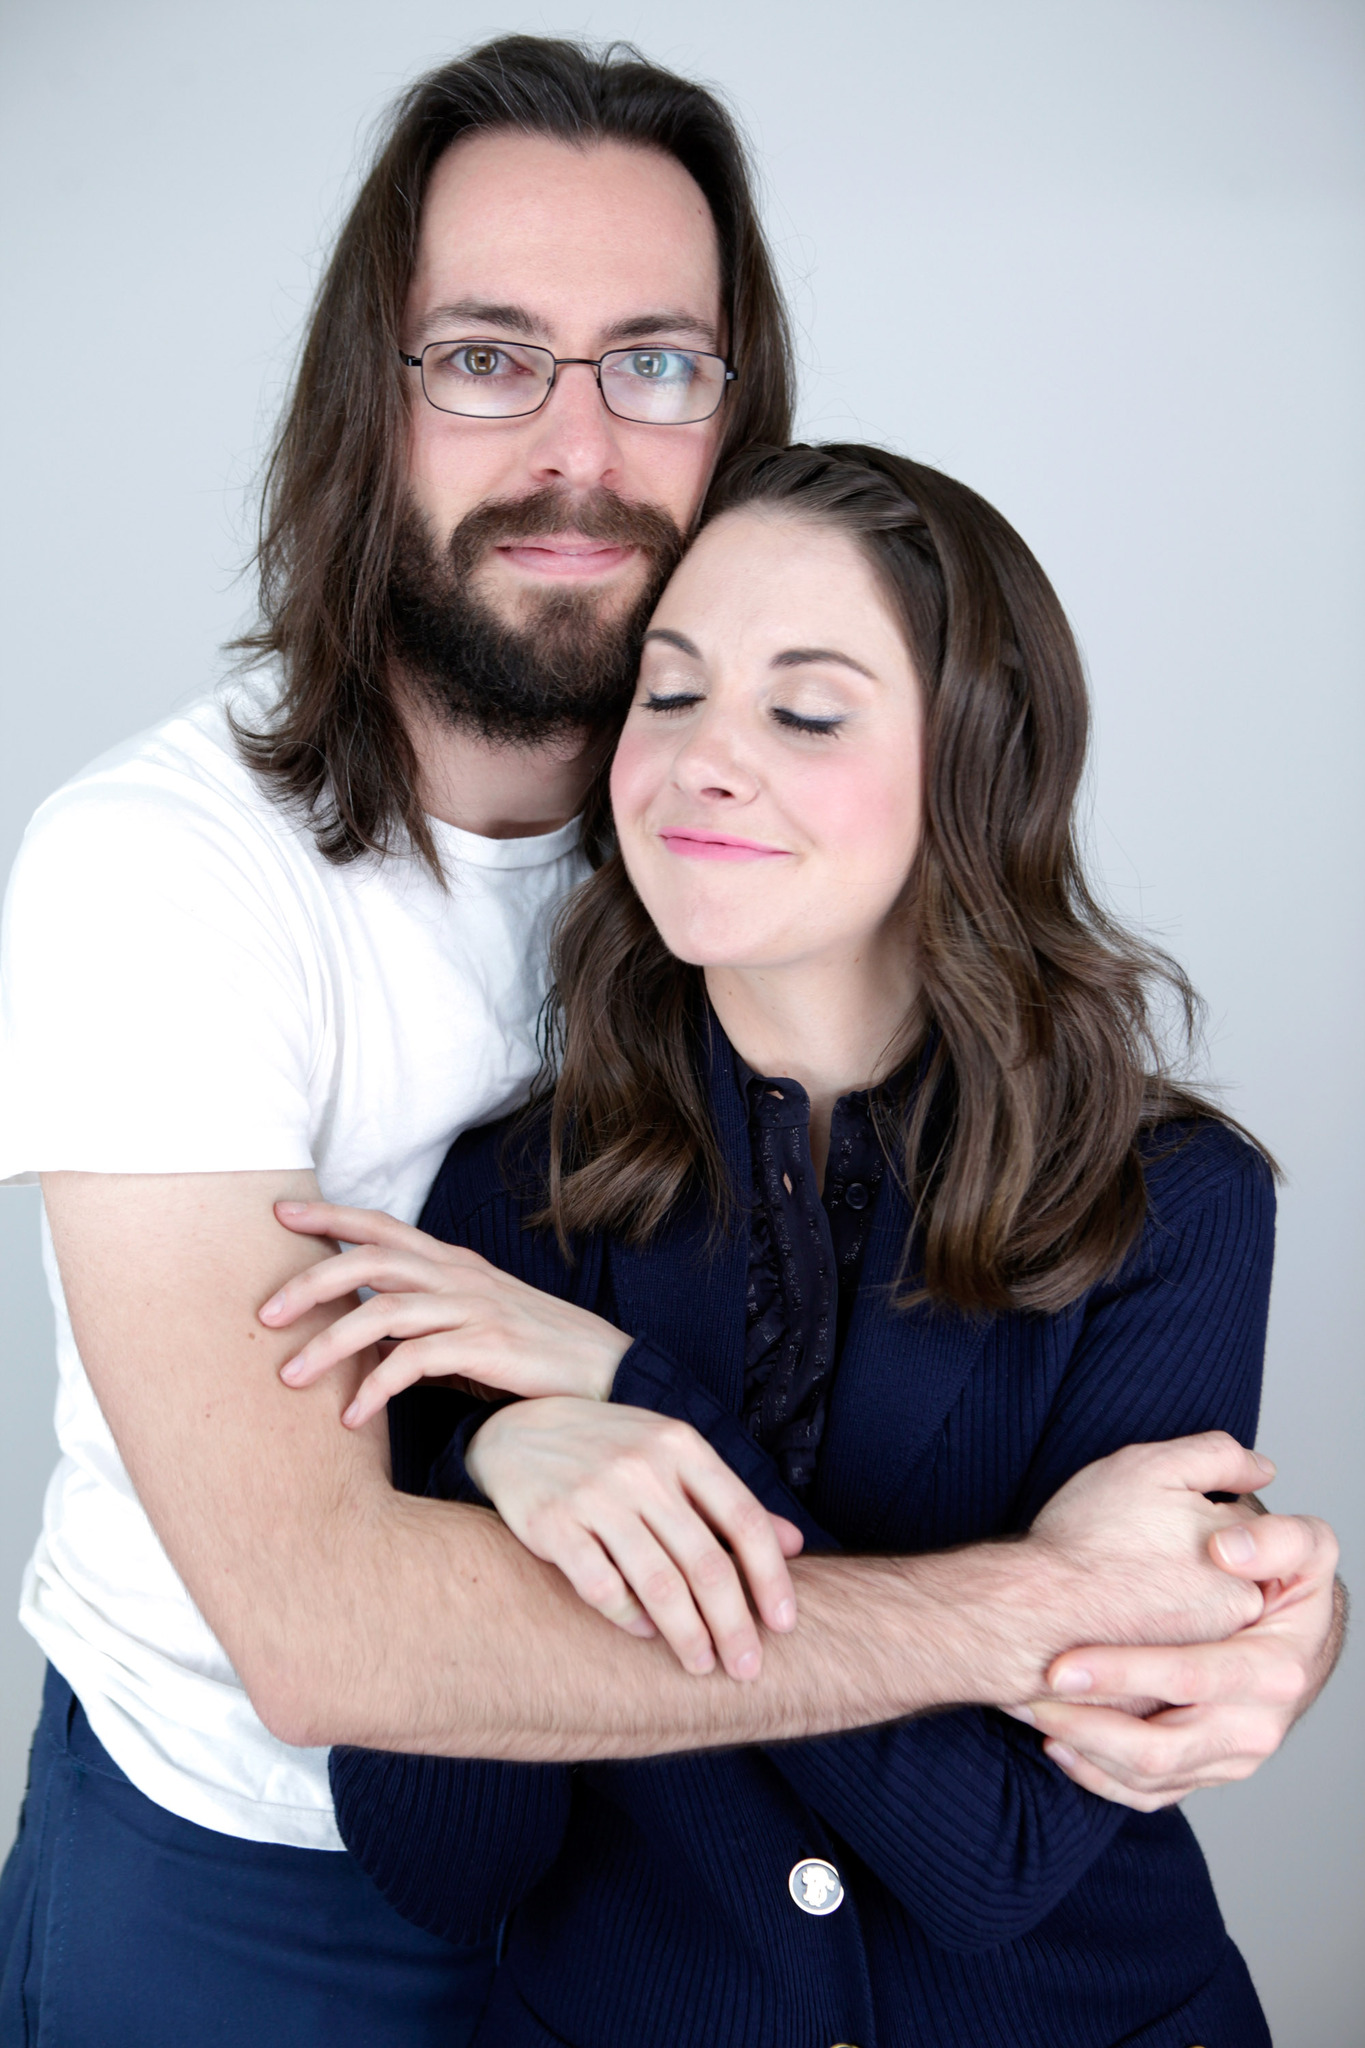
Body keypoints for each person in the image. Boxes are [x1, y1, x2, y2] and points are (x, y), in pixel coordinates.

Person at [0, 34, 1340, 2048]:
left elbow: (1041, 1757)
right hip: (250, 1874)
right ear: (375, 404)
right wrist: (1051, 1612)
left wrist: (1252, 1624)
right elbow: (335, 1643)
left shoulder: (734, 878)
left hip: (646, 1915)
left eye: (649, 360)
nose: (572, 440)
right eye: (482, 354)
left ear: (734, 410)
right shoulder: (165, 876)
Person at [279, 442, 1289, 2044]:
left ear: (976, 761)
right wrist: (490, 1477)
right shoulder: (500, 1204)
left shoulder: (1169, 1204)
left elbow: (999, 1857)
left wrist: (630, 1399)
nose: (701, 763)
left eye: (804, 711)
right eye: (668, 695)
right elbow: (442, 1862)